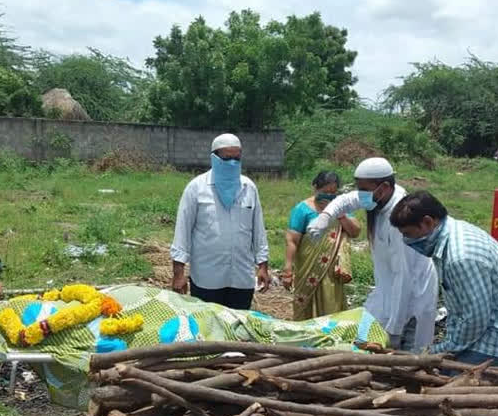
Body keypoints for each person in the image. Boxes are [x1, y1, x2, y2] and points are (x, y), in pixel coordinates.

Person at [390, 191, 498, 364]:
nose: (406, 240)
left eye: (408, 234)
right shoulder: (450, 232)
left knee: (449, 379)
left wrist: (442, 349)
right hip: (494, 324)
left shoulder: (461, 256)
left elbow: (475, 319)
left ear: (427, 222)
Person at [306, 157, 438, 351]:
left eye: (364, 189)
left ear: (383, 187)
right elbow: (347, 200)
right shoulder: (379, 198)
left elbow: (404, 278)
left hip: (412, 298)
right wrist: (326, 217)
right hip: (386, 289)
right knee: (366, 339)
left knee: (408, 356)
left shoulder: (401, 218)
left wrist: (395, 327)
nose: (361, 195)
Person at [170, 133, 270, 310]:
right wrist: (179, 274)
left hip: (241, 276)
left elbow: (258, 230)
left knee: (237, 328)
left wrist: (263, 265)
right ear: (214, 158)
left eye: (236, 158)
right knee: (209, 328)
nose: (232, 163)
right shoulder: (197, 188)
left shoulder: (248, 188)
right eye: (227, 158)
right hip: (207, 276)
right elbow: (182, 232)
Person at [283, 171, 361, 320]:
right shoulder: (303, 209)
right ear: (315, 188)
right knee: (305, 303)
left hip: (332, 271)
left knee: (331, 301)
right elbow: (292, 240)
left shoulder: (341, 207)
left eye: (333, 192)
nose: (329, 196)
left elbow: (355, 231)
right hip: (308, 269)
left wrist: (339, 214)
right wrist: (287, 269)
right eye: (325, 192)